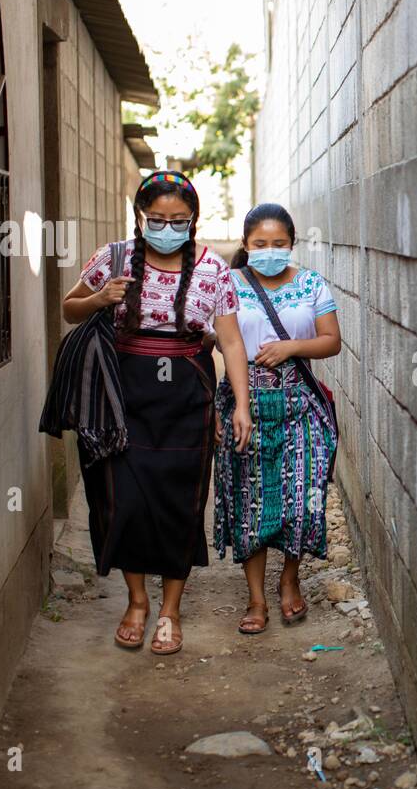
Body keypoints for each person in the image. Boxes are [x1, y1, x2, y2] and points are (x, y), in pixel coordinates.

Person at [60, 171, 252, 654]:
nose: (167, 227)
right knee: (122, 497)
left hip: (187, 394)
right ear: (141, 218)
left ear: (193, 221)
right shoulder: (114, 258)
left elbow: (230, 340)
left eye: (178, 220)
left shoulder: (213, 270)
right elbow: (69, 308)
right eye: (157, 219)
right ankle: (137, 601)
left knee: (178, 501)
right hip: (120, 391)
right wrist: (100, 298)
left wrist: (241, 404)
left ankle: (170, 610)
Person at [212, 203, 340, 634]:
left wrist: (290, 348)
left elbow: (331, 342)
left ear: (292, 244)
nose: (269, 250)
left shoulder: (310, 284)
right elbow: (223, 342)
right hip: (244, 404)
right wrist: (234, 402)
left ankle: (289, 579)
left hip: (299, 403)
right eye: (260, 244)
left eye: (278, 244)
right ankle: (255, 598)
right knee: (250, 500)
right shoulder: (228, 285)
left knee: (303, 495)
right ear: (246, 246)